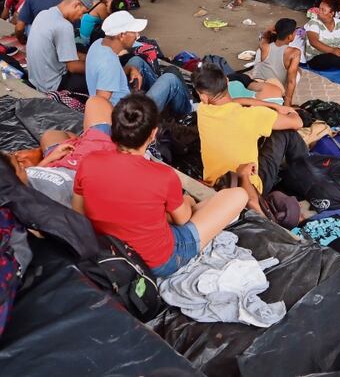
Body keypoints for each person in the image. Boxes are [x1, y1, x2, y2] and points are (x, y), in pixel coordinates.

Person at [72, 94, 249, 278]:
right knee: (238, 195)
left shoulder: (89, 162)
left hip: (108, 249)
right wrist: (186, 200)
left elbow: (78, 212)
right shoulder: (163, 176)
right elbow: (183, 219)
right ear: (153, 133)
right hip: (157, 262)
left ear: (114, 129)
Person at [193, 64, 304, 202]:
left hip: (218, 186)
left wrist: (274, 106)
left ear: (203, 97)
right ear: (227, 81)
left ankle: (299, 173)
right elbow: (298, 123)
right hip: (251, 190)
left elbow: (233, 102)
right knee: (286, 132)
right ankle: (306, 175)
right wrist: (288, 111)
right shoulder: (253, 116)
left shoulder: (203, 110)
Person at [86, 10, 192, 115]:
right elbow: (101, 104)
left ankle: (163, 95)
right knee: (170, 79)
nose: (138, 35)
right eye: (134, 32)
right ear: (122, 35)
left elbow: (107, 76)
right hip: (130, 115)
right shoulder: (108, 64)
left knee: (136, 61)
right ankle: (189, 113)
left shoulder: (99, 43)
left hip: (125, 99)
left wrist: (130, 69)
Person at [25, 0, 93, 93]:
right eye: (83, 13)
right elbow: (73, 67)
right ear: (76, 5)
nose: (81, 17)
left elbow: (64, 53)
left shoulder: (43, 14)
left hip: (36, 80)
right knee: (94, 80)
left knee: (82, 51)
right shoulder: (64, 25)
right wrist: (97, 68)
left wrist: (89, 58)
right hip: (52, 86)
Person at [250, 18, 301, 106]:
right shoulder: (294, 53)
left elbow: (264, 36)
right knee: (298, 71)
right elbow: (291, 81)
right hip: (275, 90)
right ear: (290, 36)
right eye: (294, 32)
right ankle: (283, 96)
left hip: (257, 85)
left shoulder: (264, 46)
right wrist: (287, 103)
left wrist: (272, 29)